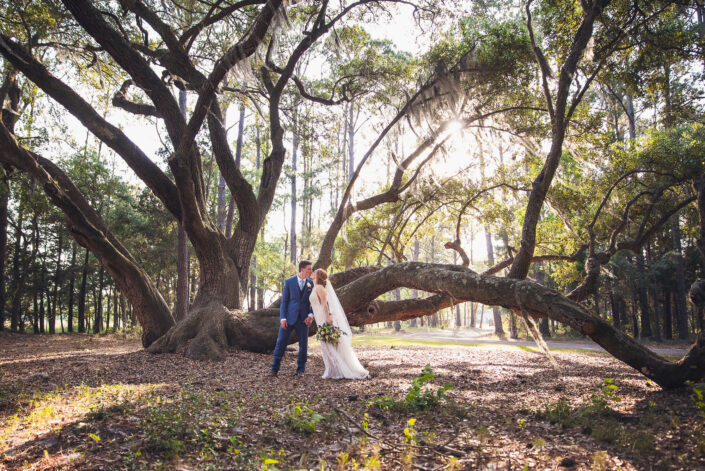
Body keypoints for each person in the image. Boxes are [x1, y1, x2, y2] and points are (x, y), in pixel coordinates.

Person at [310, 268, 369, 379]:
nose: (312, 273)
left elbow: (324, 304)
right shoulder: (315, 287)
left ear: (318, 276)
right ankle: (332, 369)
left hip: (323, 318)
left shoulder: (320, 288)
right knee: (326, 344)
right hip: (318, 318)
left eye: (315, 273)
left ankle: (339, 370)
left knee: (329, 343)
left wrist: (327, 317)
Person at [270, 260, 314, 376]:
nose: (311, 271)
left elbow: (314, 302)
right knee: (281, 343)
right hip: (289, 318)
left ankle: (300, 370)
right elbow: (284, 301)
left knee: (303, 345)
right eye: (309, 269)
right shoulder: (289, 282)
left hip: (303, 319)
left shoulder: (311, 283)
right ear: (302, 269)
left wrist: (310, 315)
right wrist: (283, 318)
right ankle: (274, 369)